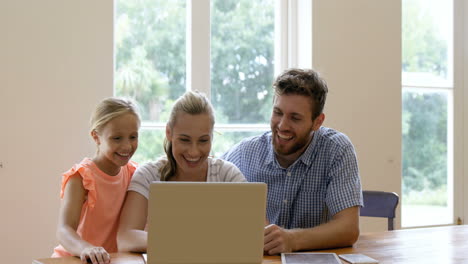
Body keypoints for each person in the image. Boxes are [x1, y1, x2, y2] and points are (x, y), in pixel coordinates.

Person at [221, 68, 363, 255]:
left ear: (317, 122)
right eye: (278, 113)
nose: (282, 125)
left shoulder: (336, 150)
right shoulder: (245, 153)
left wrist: (291, 239)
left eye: (295, 118)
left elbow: (348, 229)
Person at [117, 90, 246, 253]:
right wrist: (190, 242)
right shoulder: (148, 175)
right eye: (184, 140)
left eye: (203, 140)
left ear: (212, 137)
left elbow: (258, 233)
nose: (193, 152)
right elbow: (125, 238)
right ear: (169, 133)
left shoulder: (227, 174)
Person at [52, 97, 140, 264]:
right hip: (75, 259)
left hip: (108, 261)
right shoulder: (82, 177)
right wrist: (86, 248)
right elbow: (64, 230)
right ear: (96, 137)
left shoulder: (134, 173)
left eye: (133, 137)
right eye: (117, 138)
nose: (127, 146)